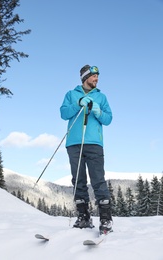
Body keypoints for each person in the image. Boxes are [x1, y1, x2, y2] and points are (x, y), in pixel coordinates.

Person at [60, 65, 113, 235]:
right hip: (74, 143)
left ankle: (106, 219)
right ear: (85, 78)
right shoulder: (71, 94)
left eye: (97, 76)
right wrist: (78, 103)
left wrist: (97, 111)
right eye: (93, 76)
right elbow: (63, 113)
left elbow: (108, 119)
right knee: (78, 180)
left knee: (98, 179)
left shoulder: (101, 97)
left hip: (94, 143)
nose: (96, 79)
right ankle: (83, 216)